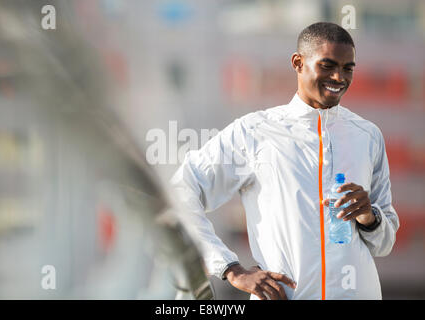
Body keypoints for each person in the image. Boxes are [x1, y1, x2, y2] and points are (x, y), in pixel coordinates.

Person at [170, 22, 399, 300]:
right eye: (327, 65)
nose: (339, 77)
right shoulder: (254, 132)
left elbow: (384, 243)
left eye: (348, 68)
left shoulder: (368, 136)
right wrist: (230, 268)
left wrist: (369, 217)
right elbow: (181, 191)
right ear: (298, 62)